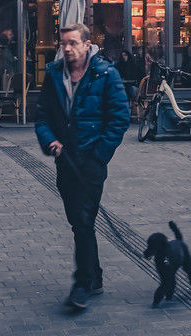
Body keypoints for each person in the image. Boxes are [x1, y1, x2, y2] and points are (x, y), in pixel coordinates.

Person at [35, 22, 130, 311]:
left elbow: (119, 118)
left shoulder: (105, 74)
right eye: (63, 43)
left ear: (87, 45)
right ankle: (96, 277)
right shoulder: (53, 75)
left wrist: (99, 155)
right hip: (65, 161)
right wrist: (50, 141)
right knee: (78, 220)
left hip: (91, 161)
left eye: (73, 42)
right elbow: (41, 117)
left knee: (83, 220)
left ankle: (83, 282)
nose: (67, 48)